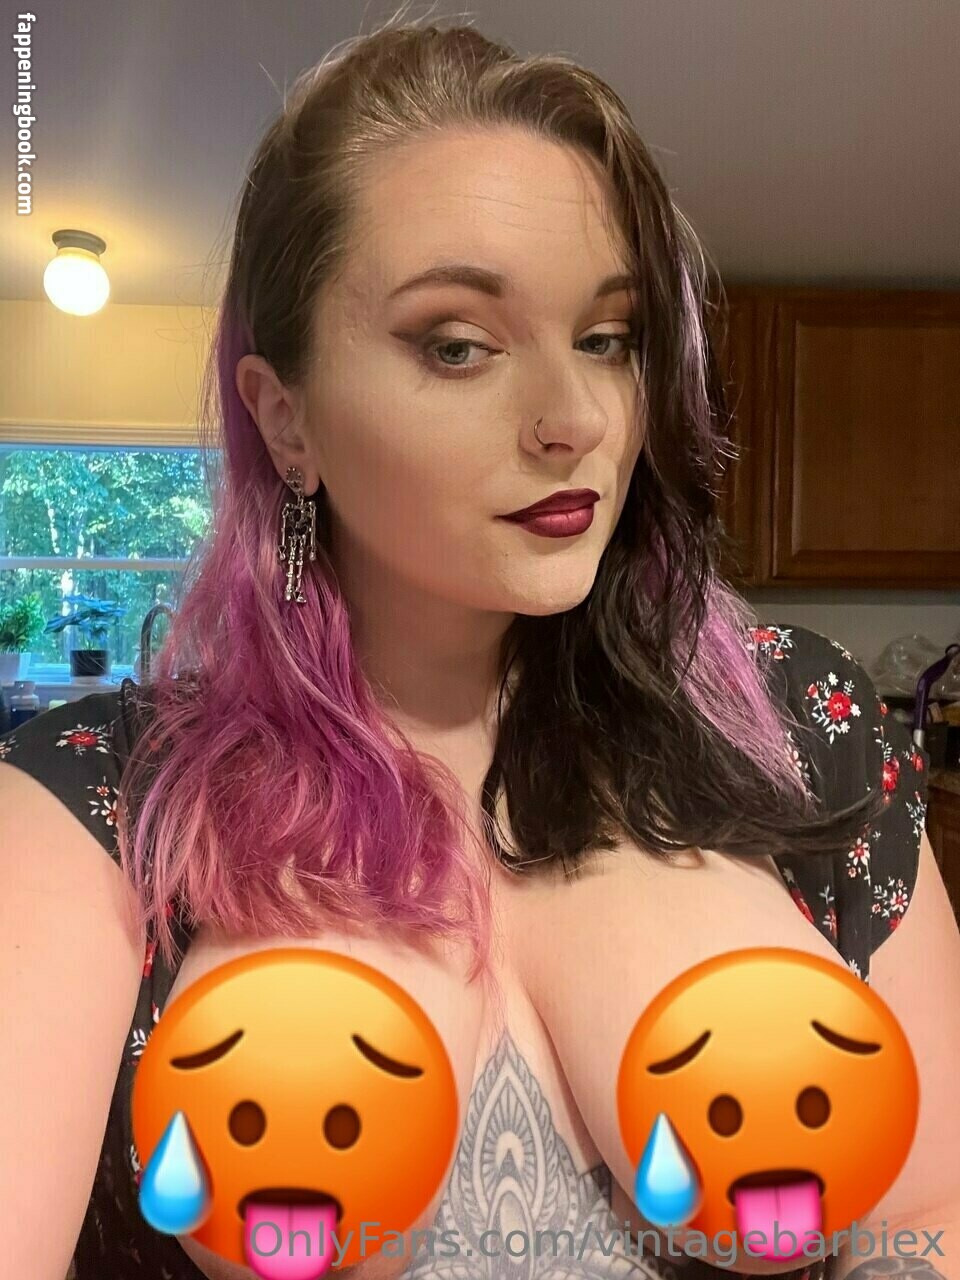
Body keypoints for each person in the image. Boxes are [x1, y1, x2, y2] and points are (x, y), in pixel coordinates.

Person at [2, 15, 958, 1280]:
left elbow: (932, 1225)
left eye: (607, 339)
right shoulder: (104, 804)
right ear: (285, 420)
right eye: (458, 344)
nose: (574, 418)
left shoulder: (799, 725)